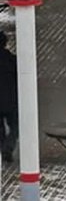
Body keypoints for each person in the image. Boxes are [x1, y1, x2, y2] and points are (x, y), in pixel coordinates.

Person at [0, 30, 16, 163]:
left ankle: (3, 148)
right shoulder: (12, 60)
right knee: (15, 126)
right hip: (11, 100)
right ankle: (8, 147)